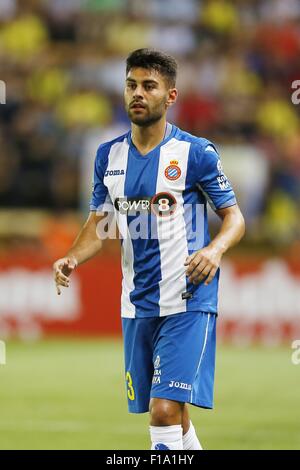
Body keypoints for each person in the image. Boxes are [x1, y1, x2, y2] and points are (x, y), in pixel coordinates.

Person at [53, 48, 245, 450]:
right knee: (175, 414)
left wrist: (215, 249)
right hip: (136, 304)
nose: (137, 93)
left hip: (188, 299)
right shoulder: (109, 156)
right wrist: (73, 256)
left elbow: (234, 218)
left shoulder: (196, 153)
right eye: (131, 85)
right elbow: (100, 224)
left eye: (148, 86)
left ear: (170, 96)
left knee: (162, 410)